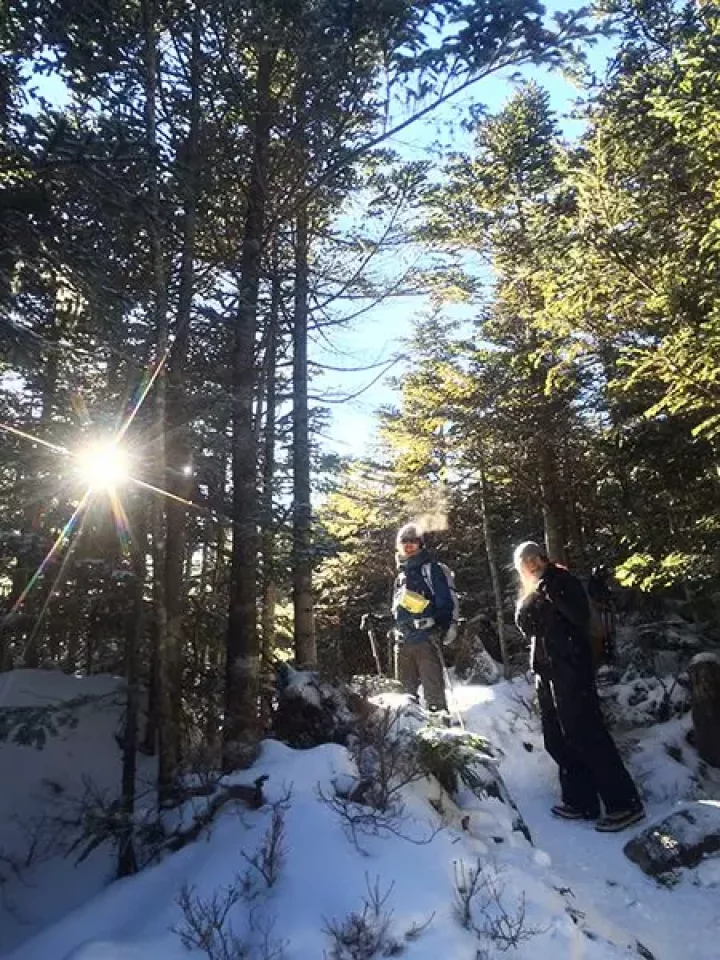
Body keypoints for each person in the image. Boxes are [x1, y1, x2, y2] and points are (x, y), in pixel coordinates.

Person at [513, 541, 644, 832]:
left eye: (535, 559)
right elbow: (527, 627)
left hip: (572, 670)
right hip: (546, 674)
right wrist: (527, 604)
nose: (532, 566)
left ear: (544, 558)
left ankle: (624, 803)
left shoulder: (563, 581)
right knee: (556, 739)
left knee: (587, 734)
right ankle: (580, 800)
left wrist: (551, 592)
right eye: (525, 563)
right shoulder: (531, 590)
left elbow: (579, 616)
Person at [391, 523, 454, 715]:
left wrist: (442, 627)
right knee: (404, 699)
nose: (409, 545)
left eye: (413, 541)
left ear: (421, 544)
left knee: (433, 695)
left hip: (427, 638)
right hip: (403, 641)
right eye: (404, 541)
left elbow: (444, 600)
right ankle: (412, 739)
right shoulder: (401, 575)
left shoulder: (431, 569)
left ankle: (443, 736)